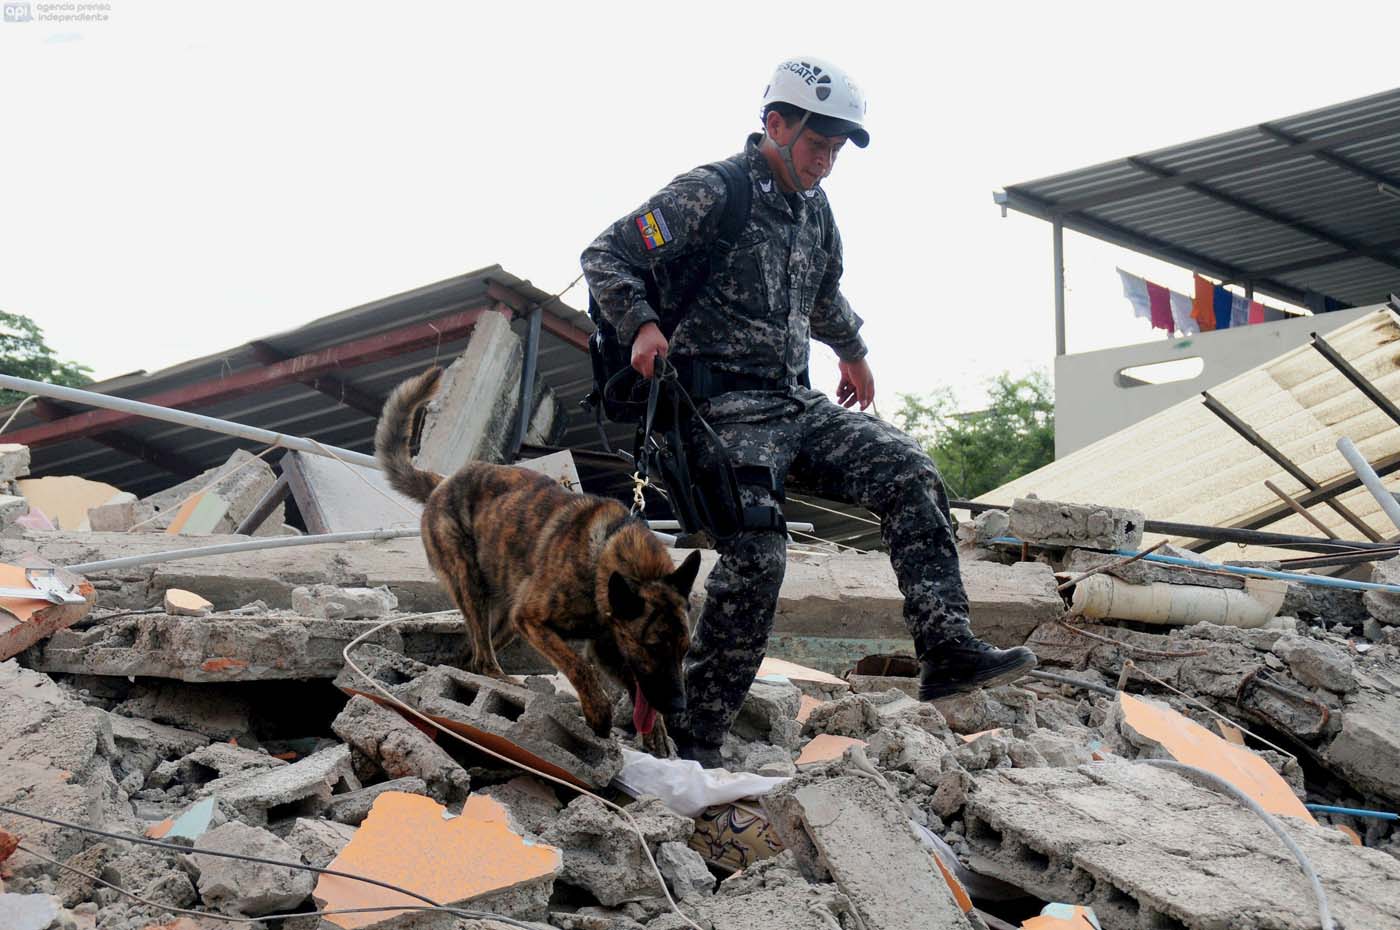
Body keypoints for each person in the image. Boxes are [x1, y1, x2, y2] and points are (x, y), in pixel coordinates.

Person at [581, 57, 1036, 766]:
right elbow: (607, 253)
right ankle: (695, 741)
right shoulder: (713, 191)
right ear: (775, 125)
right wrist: (641, 323)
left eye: (834, 150)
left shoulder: (815, 211)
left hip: (795, 400)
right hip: (717, 408)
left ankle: (945, 647)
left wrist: (853, 351)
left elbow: (822, 297)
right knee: (759, 553)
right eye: (816, 144)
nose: (825, 161)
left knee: (906, 468)